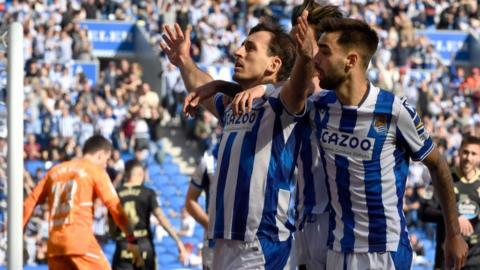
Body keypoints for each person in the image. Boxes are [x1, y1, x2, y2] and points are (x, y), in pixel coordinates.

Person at [290, 17, 468, 269]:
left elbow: (437, 165)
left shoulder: (394, 110)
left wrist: (453, 233)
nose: (315, 58)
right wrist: (242, 90)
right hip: (337, 250)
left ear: (351, 61)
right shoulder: (320, 107)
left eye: (325, 51)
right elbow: (280, 101)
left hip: (385, 252)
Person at [161, 19, 301, 269]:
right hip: (221, 242)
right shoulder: (233, 105)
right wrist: (184, 60)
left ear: (274, 64)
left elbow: (301, 86)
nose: (238, 52)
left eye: (250, 48)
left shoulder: (283, 106)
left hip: (259, 244)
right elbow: (200, 86)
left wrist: (266, 89)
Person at [23, 135, 143, 270]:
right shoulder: (95, 171)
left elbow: (30, 201)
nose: (105, 165)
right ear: (100, 155)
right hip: (80, 242)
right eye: (106, 160)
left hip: (55, 248)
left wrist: (18, 230)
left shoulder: (54, 171)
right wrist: (131, 238)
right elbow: (114, 207)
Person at [111, 159, 186, 270]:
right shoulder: (148, 193)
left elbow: (111, 226)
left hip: (124, 246)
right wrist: (178, 240)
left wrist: (116, 235)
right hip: (144, 246)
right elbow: (161, 218)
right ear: (140, 173)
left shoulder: (115, 193)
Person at [421, 135, 480, 269]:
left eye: (473, 154)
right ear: (459, 152)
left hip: (475, 259)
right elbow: (424, 212)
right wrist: (454, 218)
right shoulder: (442, 178)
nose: (468, 158)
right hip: (447, 257)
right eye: (465, 152)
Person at [185, 146, 217, 269]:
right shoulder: (208, 160)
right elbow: (190, 201)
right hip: (214, 243)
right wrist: (209, 224)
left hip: (246, 242)